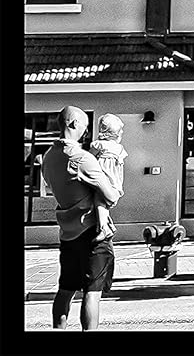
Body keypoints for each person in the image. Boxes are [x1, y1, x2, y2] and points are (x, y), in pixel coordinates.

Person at [43, 106, 122, 330]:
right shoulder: (80, 158)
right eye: (85, 127)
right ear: (74, 124)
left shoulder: (49, 157)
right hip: (91, 234)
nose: (86, 133)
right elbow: (110, 195)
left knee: (66, 289)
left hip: (67, 233)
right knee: (92, 293)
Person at [87, 115, 128, 241]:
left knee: (99, 202)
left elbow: (88, 159)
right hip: (115, 181)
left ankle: (104, 227)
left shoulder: (99, 145)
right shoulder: (119, 148)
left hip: (103, 178)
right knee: (105, 204)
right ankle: (108, 225)